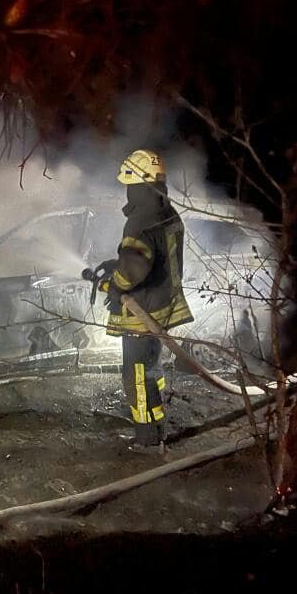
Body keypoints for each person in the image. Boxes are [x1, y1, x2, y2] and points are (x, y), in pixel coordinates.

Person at [90, 150, 193, 448]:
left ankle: (146, 437)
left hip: (142, 312)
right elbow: (154, 257)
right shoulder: (167, 212)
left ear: (137, 184)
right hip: (161, 307)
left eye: (129, 184)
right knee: (151, 368)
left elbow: (134, 267)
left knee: (135, 375)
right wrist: (118, 263)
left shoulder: (140, 221)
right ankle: (156, 424)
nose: (127, 190)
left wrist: (115, 283)